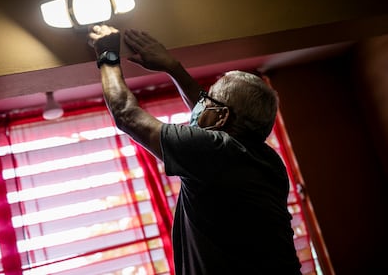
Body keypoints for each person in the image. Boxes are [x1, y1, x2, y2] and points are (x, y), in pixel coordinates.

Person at [88, 25, 302, 275]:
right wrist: (173, 68)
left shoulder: (217, 153)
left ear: (221, 115)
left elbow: (127, 115)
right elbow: (211, 114)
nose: (202, 103)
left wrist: (107, 56)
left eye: (210, 99)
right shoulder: (268, 161)